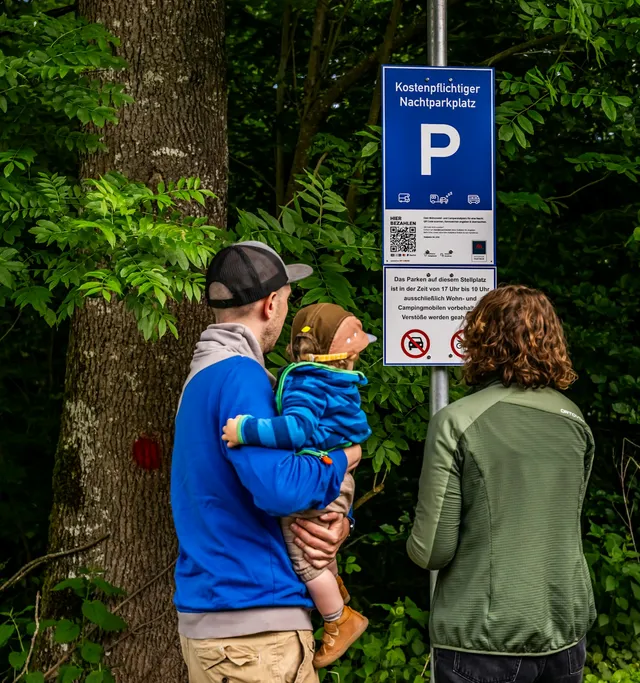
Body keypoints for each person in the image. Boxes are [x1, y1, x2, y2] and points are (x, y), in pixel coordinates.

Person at [172, 241, 358, 683]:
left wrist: (341, 517)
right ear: (270, 303)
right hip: (254, 630)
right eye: (288, 299)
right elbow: (281, 489)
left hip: (225, 620)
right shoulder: (242, 376)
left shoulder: (201, 377)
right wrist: (342, 460)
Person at [407, 284, 596, 683]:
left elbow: (432, 551)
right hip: (565, 625)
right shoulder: (574, 420)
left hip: (482, 634)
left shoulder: (457, 421)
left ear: (481, 341)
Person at [221, 303, 373, 667]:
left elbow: (296, 429)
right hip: (339, 478)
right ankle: (336, 594)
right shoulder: (340, 382)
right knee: (322, 549)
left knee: (306, 560)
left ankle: (339, 620)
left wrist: (244, 429)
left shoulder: (308, 382)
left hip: (319, 475)